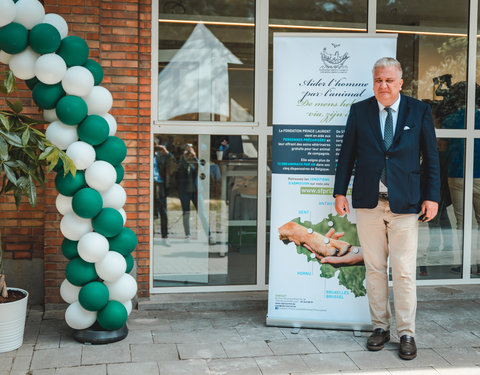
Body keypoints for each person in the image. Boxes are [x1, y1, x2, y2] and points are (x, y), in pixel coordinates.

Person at [333, 57, 440, 360]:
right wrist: (339, 191)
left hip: (406, 205)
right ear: (374, 81)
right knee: (375, 269)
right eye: (379, 79)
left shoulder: (419, 111)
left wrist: (432, 196)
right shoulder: (360, 111)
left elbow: (431, 158)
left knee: (404, 272)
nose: (384, 85)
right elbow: (347, 155)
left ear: (401, 83)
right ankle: (380, 327)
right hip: (369, 203)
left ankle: (407, 333)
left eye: (389, 80)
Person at [153, 140, 177, 245]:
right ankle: (150, 236)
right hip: (149, 185)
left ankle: (165, 236)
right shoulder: (144, 154)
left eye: (155, 145)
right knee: (151, 212)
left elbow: (173, 163)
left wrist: (165, 151)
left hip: (159, 185)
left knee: (163, 211)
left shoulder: (161, 156)